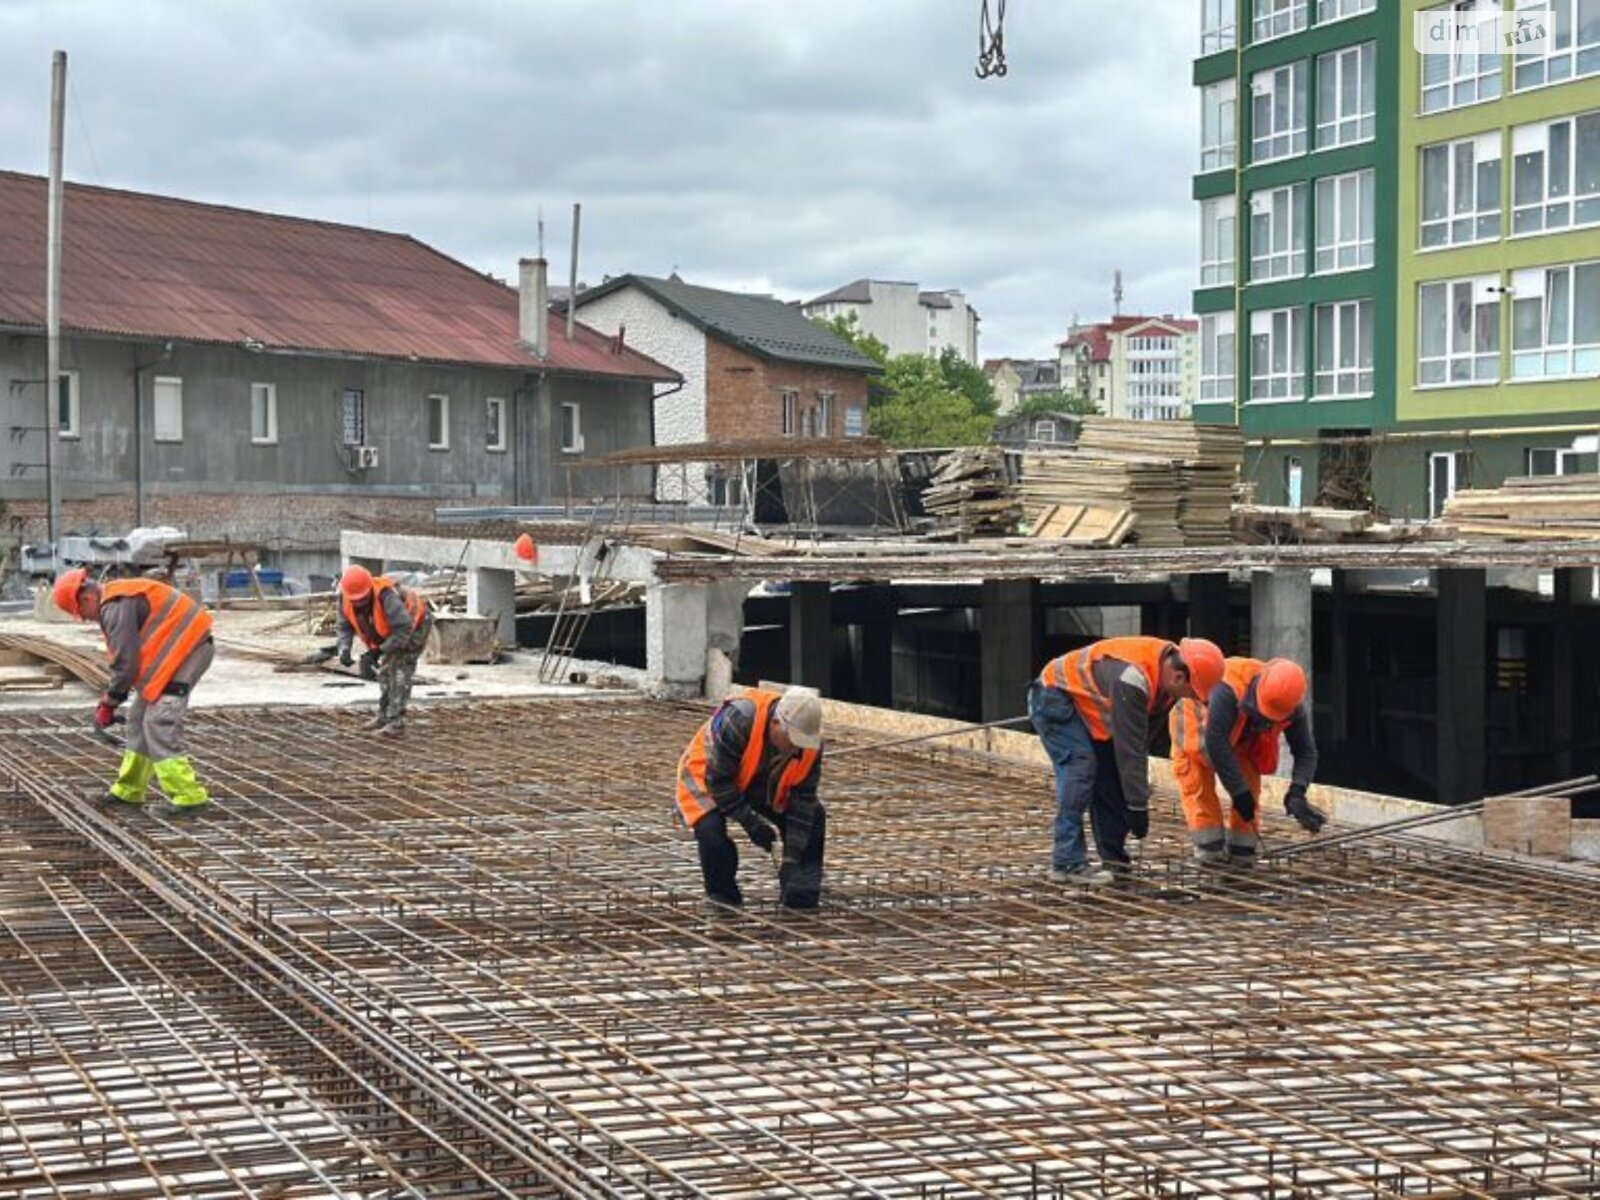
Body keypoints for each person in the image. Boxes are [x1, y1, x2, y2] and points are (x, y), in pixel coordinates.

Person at [1030, 636, 1226, 886]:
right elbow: (1130, 750)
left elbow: (1138, 742)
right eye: (1191, 693)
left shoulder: (1166, 683)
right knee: (1081, 767)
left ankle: (1114, 860)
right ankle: (1066, 862)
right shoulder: (1132, 679)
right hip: (1054, 697)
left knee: (1110, 776)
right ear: (1178, 677)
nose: (1190, 699)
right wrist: (1137, 805)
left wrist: (1134, 795)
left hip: (1089, 712)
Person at [52, 568, 214, 813]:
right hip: (176, 654)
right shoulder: (118, 598)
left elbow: (126, 663)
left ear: (86, 599)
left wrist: (109, 701)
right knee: (138, 720)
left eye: (81, 614)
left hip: (190, 650)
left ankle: (189, 797)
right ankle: (129, 790)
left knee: (160, 720)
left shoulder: (114, 606)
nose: (85, 620)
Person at [675, 686, 826, 911]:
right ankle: (722, 896)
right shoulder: (739, 720)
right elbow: (719, 783)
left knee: (815, 816)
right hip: (708, 777)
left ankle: (800, 894)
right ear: (776, 723)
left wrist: (792, 861)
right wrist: (751, 823)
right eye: (793, 740)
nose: (797, 748)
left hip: (762, 782)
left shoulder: (810, 743)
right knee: (710, 831)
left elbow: (803, 802)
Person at [1169, 656, 1325, 867]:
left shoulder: (1291, 705)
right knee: (1198, 776)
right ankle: (1210, 850)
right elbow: (1216, 744)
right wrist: (1238, 791)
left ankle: (1242, 851)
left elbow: (1306, 752)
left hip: (1242, 731)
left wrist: (1297, 792)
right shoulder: (1227, 688)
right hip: (1197, 721)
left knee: (1248, 785)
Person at [336, 565, 432, 735]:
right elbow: (344, 627)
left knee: (399, 670)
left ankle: (397, 722)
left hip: (414, 626)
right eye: (355, 600)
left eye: (362, 599)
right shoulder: (345, 598)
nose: (358, 603)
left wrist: (377, 652)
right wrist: (344, 648)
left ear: (368, 590)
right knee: (385, 672)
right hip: (392, 633)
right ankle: (384, 716)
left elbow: (403, 629)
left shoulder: (385, 595)